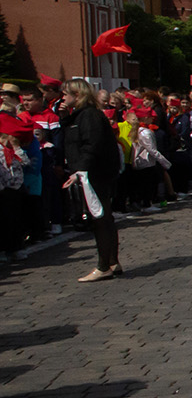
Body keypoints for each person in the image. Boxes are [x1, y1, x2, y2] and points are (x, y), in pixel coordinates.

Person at [59, 79, 122, 281]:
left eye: (66, 94)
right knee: (104, 217)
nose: (63, 98)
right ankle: (112, 261)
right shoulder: (82, 115)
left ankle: (104, 265)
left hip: (96, 173)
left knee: (100, 218)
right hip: (94, 171)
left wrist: (81, 170)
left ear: (77, 95)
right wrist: (63, 117)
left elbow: (90, 145)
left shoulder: (89, 116)